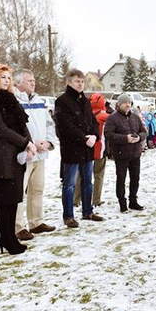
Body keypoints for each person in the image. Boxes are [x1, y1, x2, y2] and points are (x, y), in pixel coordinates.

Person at [0, 64, 37, 255]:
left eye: (8, 77)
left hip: (15, 155)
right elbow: (0, 129)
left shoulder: (12, 99)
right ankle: (5, 238)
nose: (6, 80)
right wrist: (24, 143)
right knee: (4, 201)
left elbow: (22, 124)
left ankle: (10, 236)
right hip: (1, 156)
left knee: (14, 199)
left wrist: (29, 142)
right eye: (2, 77)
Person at [54, 69, 104, 228]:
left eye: (82, 81)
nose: (81, 84)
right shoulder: (62, 101)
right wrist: (84, 138)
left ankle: (87, 211)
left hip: (87, 148)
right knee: (69, 184)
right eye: (77, 81)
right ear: (68, 82)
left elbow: (93, 121)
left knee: (87, 182)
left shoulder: (85, 101)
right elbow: (66, 126)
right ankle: (68, 215)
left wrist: (95, 136)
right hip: (71, 148)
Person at [14, 69, 57, 241]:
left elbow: (49, 124)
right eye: (29, 80)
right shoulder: (14, 101)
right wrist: (29, 144)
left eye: (33, 80)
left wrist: (48, 142)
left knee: (37, 189)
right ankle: (18, 226)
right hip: (24, 155)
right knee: (19, 193)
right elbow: (15, 128)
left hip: (41, 154)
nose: (33, 83)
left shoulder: (39, 101)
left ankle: (36, 221)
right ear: (18, 83)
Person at [104, 94, 147, 212]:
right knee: (121, 179)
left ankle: (133, 201)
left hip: (135, 154)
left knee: (135, 178)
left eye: (129, 102)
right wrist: (125, 138)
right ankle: (122, 203)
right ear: (119, 104)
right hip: (121, 154)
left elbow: (144, 132)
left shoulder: (135, 117)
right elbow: (108, 134)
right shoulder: (112, 118)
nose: (128, 104)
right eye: (125, 102)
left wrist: (139, 137)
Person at [74, 93, 110, 209]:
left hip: (85, 148)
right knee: (98, 175)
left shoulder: (84, 114)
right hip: (99, 149)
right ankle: (96, 199)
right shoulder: (104, 116)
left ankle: (76, 199)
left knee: (81, 175)